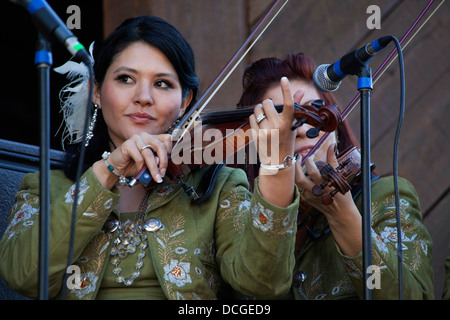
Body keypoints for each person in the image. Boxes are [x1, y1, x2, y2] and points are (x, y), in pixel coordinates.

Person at [0, 16, 300, 300]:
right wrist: (107, 171)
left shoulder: (217, 187)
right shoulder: (46, 188)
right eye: (126, 78)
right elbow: (23, 276)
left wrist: (276, 165)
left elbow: (264, 285)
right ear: (96, 91)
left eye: (162, 83)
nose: (143, 96)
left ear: (185, 102)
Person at [233, 52, 434, 299]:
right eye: (284, 124)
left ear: (335, 126)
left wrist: (343, 216)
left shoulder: (386, 195)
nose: (303, 129)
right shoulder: (241, 219)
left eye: (313, 112)